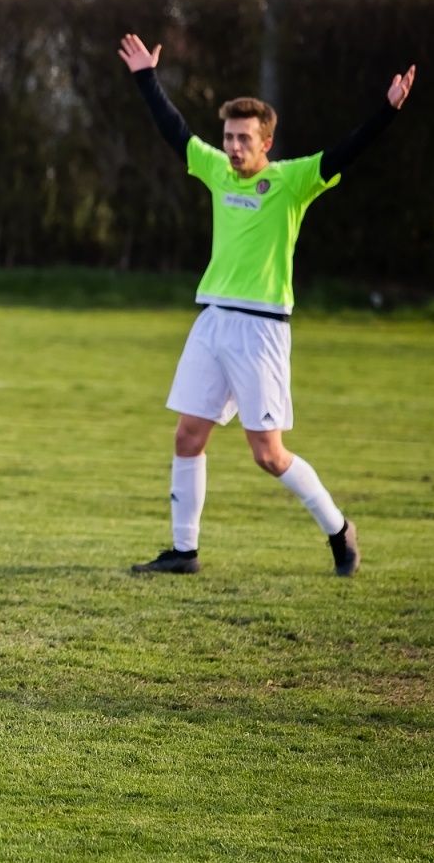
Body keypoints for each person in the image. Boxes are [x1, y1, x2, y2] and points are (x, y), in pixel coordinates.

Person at [118, 33, 415, 576]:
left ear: (266, 143)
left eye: (243, 139)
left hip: (261, 331)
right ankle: (184, 552)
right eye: (228, 137)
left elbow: (348, 150)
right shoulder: (215, 170)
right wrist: (146, 79)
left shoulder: (292, 182)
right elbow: (174, 131)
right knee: (187, 435)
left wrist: (387, 111)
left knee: (268, 455)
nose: (232, 147)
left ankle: (338, 529)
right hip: (212, 321)